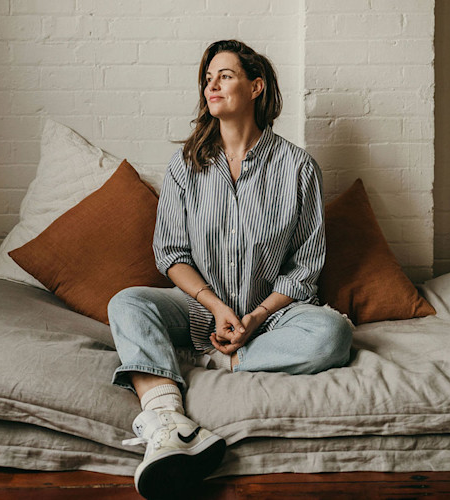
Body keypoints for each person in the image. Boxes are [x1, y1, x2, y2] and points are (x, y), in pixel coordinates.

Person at [108, 39, 353, 499]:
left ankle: (219, 360)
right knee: (128, 303)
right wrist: (217, 307)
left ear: (256, 87)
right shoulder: (185, 166)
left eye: (225, 76)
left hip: (273, 316)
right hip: (200, 307)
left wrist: (255, 318)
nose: (212, 86)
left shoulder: (298, 168)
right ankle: (169, 421)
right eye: (208, 79)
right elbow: (171, 254)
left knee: (332, 335)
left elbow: (304, 268)